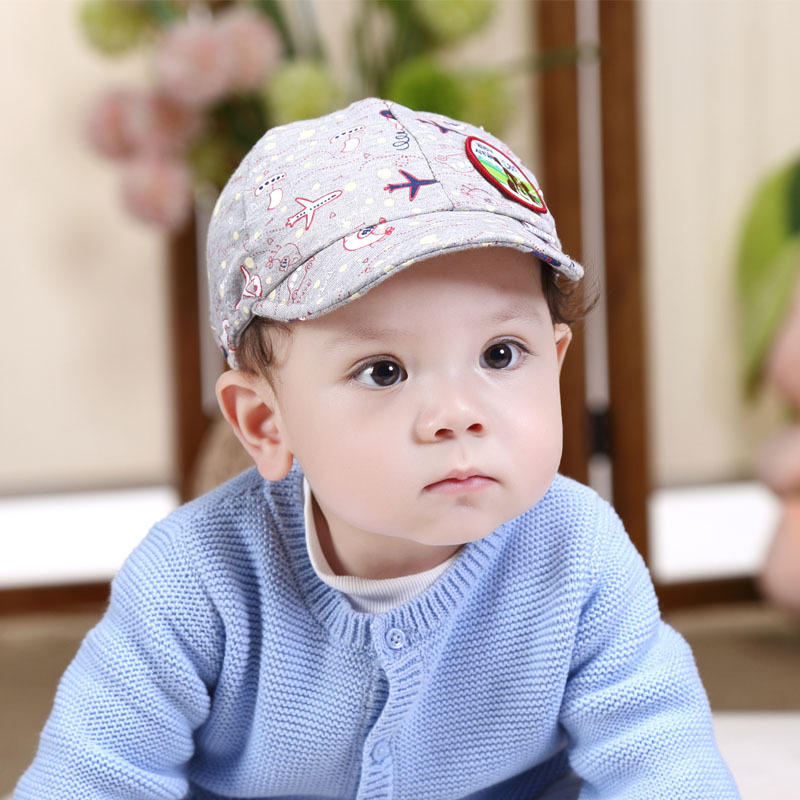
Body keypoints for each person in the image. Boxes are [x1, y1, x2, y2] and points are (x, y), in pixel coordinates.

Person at [16, 98, 739, 799]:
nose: (457, 416)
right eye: (383, 371)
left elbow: (661, 759)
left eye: (500, 353)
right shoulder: (193, 582)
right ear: (267, 423)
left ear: (555, 360)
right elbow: (94, 775)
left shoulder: (577, 553)